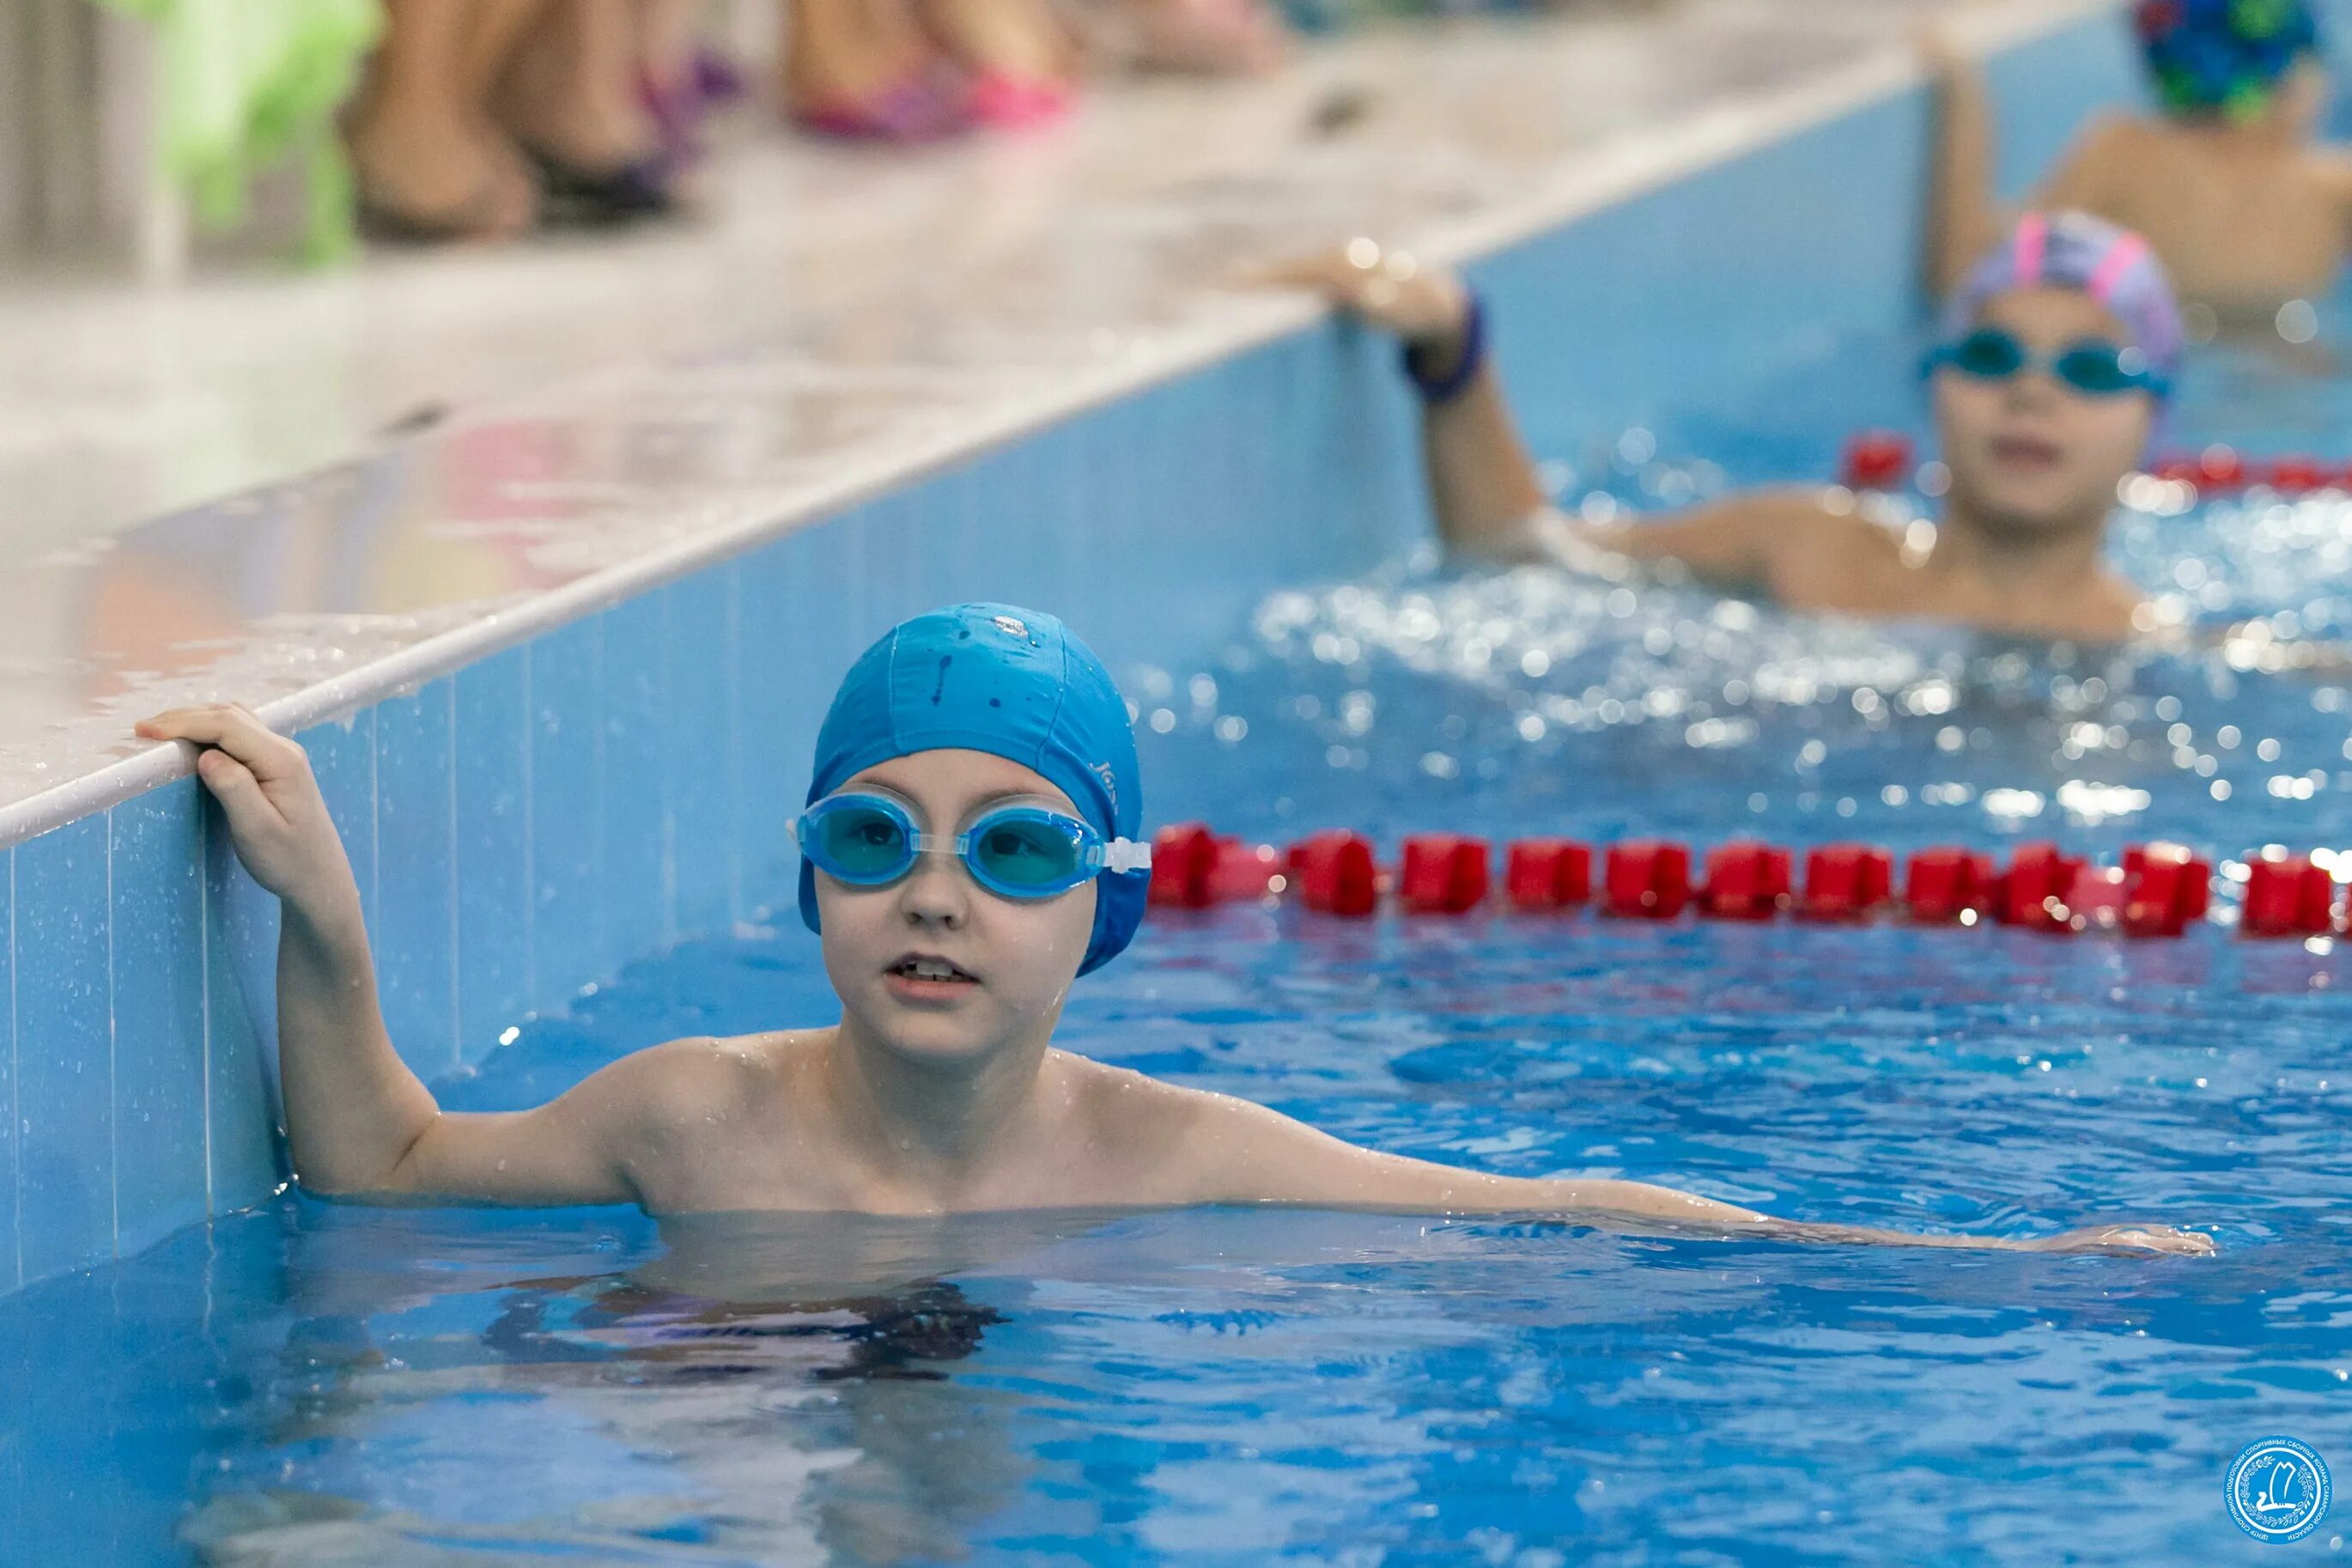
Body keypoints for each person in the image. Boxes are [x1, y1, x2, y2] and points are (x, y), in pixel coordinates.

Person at [136, 602, 2208, 1257]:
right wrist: (324, 913)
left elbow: (1543, 1202)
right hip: (701, 1391)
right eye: (880, 835)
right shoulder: (692, 1114)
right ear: (812, 881)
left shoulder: (1166, 1157)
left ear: (1109, 910)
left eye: (1015, 852)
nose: (936, 889)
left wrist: (1982, 1251)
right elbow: (382, 1160)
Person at [1278, 210, 2183, 643]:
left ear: (2155, 417)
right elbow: (1517, 550)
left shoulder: (2147, 648)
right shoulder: (1801, 544)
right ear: (1933, 384)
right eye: (1991, 357)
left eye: (2091, 368)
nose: (2032, 392)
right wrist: (1454, 352)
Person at [1928, 0, 2352, 320]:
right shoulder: (2334, 188)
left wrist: (1965, 94)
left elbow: (1965, 281)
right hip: (2299, 368)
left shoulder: (2121, 155)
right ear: (2297, 73)